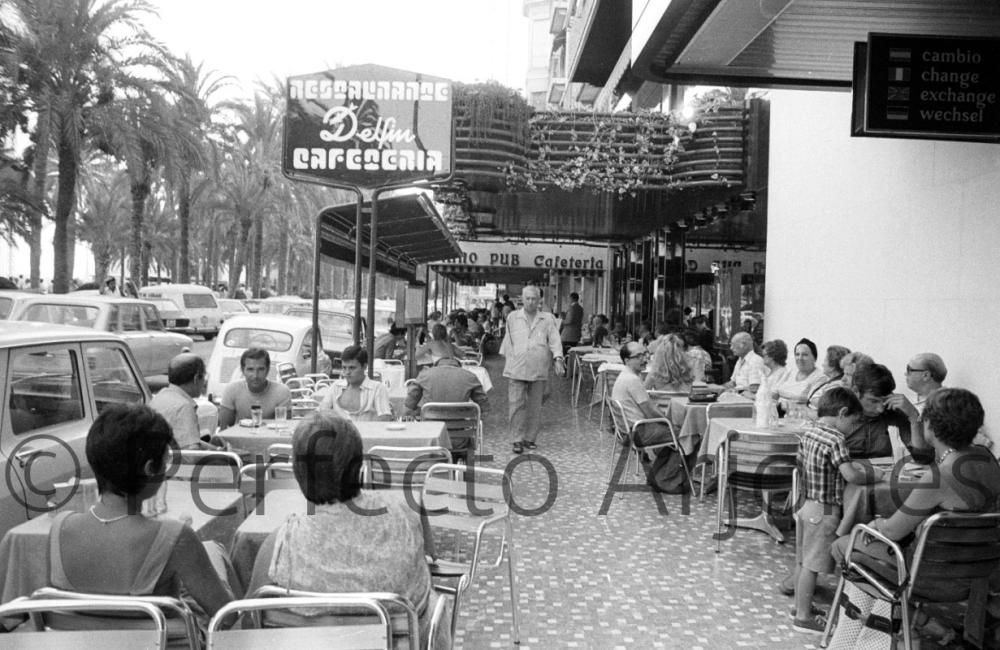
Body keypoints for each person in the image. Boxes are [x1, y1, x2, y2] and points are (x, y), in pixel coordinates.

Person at [248, 412, 449, 649]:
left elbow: (250, 621)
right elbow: (421, 580)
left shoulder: (281, 544)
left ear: (299, 472)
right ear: (360, 466)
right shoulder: (404, 515)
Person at [47, 404, 235, 628]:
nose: (166, 471)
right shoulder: (175, 537)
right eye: (165, 463)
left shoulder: (59, 528)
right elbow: (228, 615)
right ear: (150, 469)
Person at [830, 388, 1000, 604]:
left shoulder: (939, 477)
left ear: (931, 425)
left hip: (933, 577)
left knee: (843, 544)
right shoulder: (987, 458)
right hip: (983, 573)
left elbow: (893, 530)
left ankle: (912, 623)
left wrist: (875, 524)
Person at [788, 388, 886, 634]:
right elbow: (850, 474)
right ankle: (803, 618)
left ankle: (801, 605)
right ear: (843, 413)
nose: (852, 428)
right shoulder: (835, 439)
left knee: (802, 561)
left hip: (806, 505)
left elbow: (799, 464)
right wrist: (875, 474)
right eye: (853, 422)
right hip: (825, 510)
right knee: (812, 565)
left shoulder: (808, 430)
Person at [501, 285, 564, 455]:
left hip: (538, 367)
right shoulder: (513, 317)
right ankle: (516, 439)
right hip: (517, 366)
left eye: (534, 299)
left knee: (535, 405)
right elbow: (508, 341)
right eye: (527, 298)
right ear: (522, 299)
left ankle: (530, 438)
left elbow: (554, 339)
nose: (530, 302)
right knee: (516, 404)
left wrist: (558, 358)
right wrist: (508, 361)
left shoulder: (547, 318)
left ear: (539, 300)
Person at [404, 357, 489, 459]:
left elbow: (408, 409)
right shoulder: (470, 376)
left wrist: (423, 413)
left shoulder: (424, 375)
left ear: (436, 365)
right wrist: (467, 412)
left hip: (431, 439)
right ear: (458, 366)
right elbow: (484, 409)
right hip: (459, 439)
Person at [846, 363, 929, 461]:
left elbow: (923, 458)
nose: (881, 409)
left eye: (884, 400)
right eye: (874, 401)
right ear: (856, 391)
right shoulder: (838, 413)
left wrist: (914, 417)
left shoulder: (893, 410)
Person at [611, 342, 677, 454]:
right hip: (639, 433)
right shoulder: (632, 380)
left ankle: (663, 467)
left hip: (626, 431)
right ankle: (669, 470)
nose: (645, 359)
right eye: (638, 357)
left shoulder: (624, 375)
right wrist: (670, 423)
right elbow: (650, 412)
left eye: (645, 354)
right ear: (627, 361)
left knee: (675, 432)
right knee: (687, 435)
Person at [149, 353, 213, 449]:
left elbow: (188, 440)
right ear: (196, 379)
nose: (204, 382)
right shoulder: (184, 407)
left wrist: (216, 449)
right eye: (204, 376)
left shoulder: (159, 397)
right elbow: (192, 453)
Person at [218, 347, 292, 429]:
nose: (255, 375)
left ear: (267, 370)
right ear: (243, 370)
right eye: (250, 369)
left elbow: (285, 428)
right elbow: (224, 429)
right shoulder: (231, 390)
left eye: (260, 369)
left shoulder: (281, 392)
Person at [318, 344, 392, 421]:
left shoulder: (377, 388)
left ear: (364, 366)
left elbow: (384, 418)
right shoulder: (336, 386)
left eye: (352, 368)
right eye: (344, 368)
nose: (347, 372)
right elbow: (322, 411)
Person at [773, 338, 827, 411]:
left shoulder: (820, 377)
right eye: (797, 354)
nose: (800, 358)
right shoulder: (790, 372)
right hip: (777, 413)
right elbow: (774, 392)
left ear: (814, 358)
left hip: (799, 417)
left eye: (805, 355)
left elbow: (811, 402)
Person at [710, 331, 765, 397]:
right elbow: (733, 383)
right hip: (737, 396)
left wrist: (734, 390)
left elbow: (755, 388)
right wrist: (718, 388)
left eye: (733, 345)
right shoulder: (740, 360)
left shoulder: (755, 361)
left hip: (747, 400)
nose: (731, 348)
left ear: (743, 345)